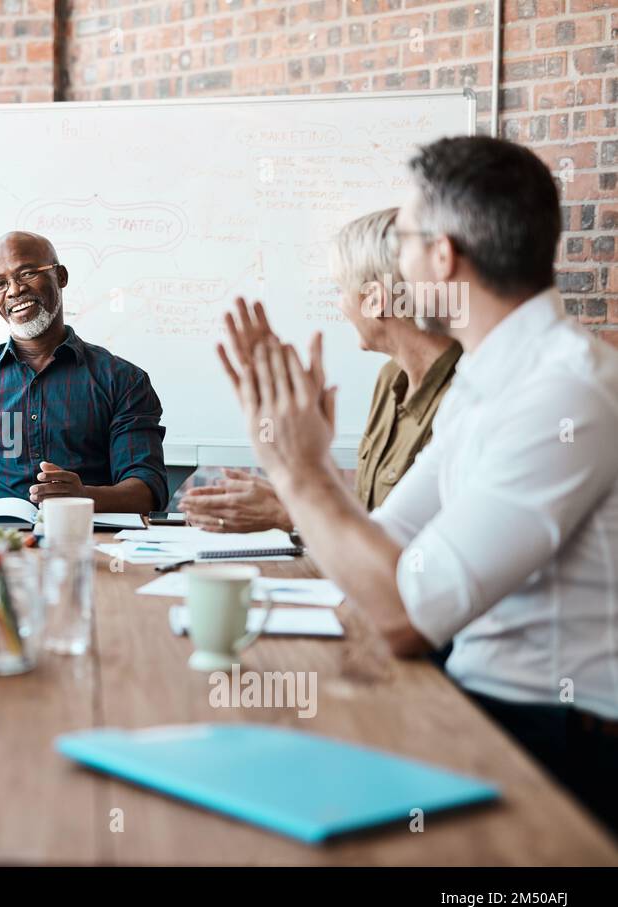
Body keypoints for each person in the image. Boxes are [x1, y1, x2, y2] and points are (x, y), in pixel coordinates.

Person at [217, 135, 618, 833]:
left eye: (402, 241)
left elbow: (406, 616)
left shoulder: (566, 391)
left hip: (552, 744)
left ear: (443, 257)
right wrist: (295, 464)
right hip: (472, 700)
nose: (394, 268)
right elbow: (384, 546)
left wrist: (299, 470)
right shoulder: (487, 378)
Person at [183, 208, 461, 533]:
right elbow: (372, 513)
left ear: (374, 299)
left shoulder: (464, 394)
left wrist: (289, 510)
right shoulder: (391, 379)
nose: (340, 305)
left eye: (341, 290)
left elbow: (404, 544)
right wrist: (293, 494)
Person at [0, 230, 167, 514]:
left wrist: (83, 497)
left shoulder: (123, 380)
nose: (14, 290)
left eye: (27, 273)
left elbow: (148, 489)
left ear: (61, 276)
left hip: (88, 543)